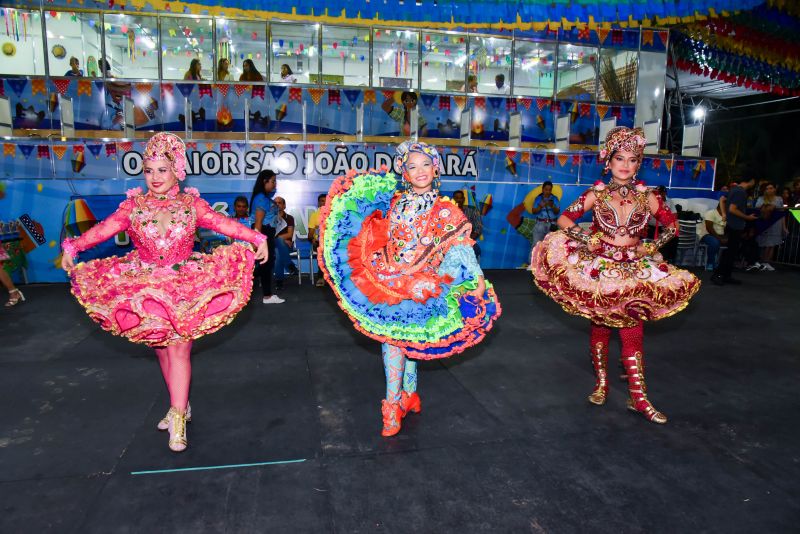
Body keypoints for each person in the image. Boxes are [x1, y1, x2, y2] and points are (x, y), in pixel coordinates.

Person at [60, 133, 268, 452]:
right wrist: (73, 246)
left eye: (161, 170)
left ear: (176, 171)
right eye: (149, 170)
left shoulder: (191, 204)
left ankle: (178, 420)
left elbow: (221, 224)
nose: (154, 178)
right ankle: (180, 404)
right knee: (161, 348)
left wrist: (256, 238)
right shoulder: (134, 206)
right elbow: (104, 229)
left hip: (184, 285)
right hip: (145, 287)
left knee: (180, 349)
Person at [317, 141, 501, 437]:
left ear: (436, 168)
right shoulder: (392, 202)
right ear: (403, 171)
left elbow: (461, 248)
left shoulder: (446, 211)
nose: (420, 171)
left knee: (412, 340)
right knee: (393, 339)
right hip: (388, 280)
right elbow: (372, 231)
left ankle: (408, 396)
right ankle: (393, 404)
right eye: (412, 166)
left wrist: (477, 280)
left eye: (425, 164)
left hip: (425, 285)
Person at [531, 127, 700, 425]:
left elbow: (672, 226)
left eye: (632, 159)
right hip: (602, 268)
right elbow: (564, 218)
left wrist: (652, 245)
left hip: (634, 269)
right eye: (619, 158)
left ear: (638, 164)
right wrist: (586, 240)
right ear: (607, 162)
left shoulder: (647, 196)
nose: (625, 164)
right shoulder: (596, 194)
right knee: (600, 325)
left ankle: (640, 398)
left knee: (632, 329)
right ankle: (602, 384)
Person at [711, 176, 759, 285]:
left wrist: (724, 214)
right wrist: (747, 217)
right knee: (730, 252)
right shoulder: (740, 192)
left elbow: (722, 199)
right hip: (735, 226)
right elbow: (733, 209)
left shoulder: (734, 190)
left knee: (731, 252)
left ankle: (726, 275)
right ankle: (718, 274)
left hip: (732, 225)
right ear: (752, 181)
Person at [250, 170, 285, 304]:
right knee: (266, 264)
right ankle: (243, 280)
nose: (275, 183)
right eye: (273, 181)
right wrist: (256, 240)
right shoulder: (261, 198)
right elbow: (258, 221)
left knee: (267, 264)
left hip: (268, 233)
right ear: (265, 181)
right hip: (263, 233)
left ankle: (267, 295)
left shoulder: (265, 198)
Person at [755, 182, 787, 271]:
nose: (769, 190)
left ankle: (767, 262)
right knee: (764, 243)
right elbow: (757, 207)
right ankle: (761, 262)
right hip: (764, 223)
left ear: (774, 189)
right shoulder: (761, 198)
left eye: (771, 188)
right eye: (767, 188)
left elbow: (782, 213)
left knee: (772, 244)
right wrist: (768, 206)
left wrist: (784, 227)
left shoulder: (779, 199)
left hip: (776, 224)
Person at [273, 196, 298, 290]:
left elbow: (290, 234)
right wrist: (282, 239)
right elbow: (267, 236)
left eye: (279, 203)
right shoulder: (269, 218)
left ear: (284, 205)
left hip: (287, 246)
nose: (277, 205)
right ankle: (290, 265)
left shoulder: (289, 218)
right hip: (272, 246)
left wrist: (280, 239)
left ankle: (279, 280)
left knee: (278, 250)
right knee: (277, 247)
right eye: (275, 203)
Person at [452, 190, 484, 260]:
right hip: (452, 243)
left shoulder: (472, 210)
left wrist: (467, 241)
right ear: (453, 199)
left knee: (476, 251)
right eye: (456, 198)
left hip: (469, 241)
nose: (458, 200)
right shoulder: (447, 212)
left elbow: (478, 227)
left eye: (460, 198)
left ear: (463, 199)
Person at [529, 181, 560, 251]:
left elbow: (557, 212)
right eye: (546, 189)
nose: (548, 191)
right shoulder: (538, 198)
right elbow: (533, 211)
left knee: (552, 246)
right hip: (540, 224)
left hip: (552, 225)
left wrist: (552, 206)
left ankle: (549, 262)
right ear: (542, 189)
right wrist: (540, 206)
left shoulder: (554, 199)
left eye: (549, 190)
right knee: (536, 246)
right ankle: (532, 261)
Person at [697, 200, 727, 271]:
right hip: (707, 234)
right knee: (715, 242)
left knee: (733, 241)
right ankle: (710, 263)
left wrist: (726, 238)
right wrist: (720, 239)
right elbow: (709, 228)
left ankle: (724, 264)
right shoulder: (711, 213)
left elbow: (725, 229)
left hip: (720, 235)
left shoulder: (725, 215)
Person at [308, 193, 327, 287]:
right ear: (318, 203)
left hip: (331, 242)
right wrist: (312, 239)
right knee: (322, 251)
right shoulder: (315, 215)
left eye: (326, 200)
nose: (324, 203)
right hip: (318, 242)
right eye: (322, 201)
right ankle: (321, 277)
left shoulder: (335, 214)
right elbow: (310, 233)